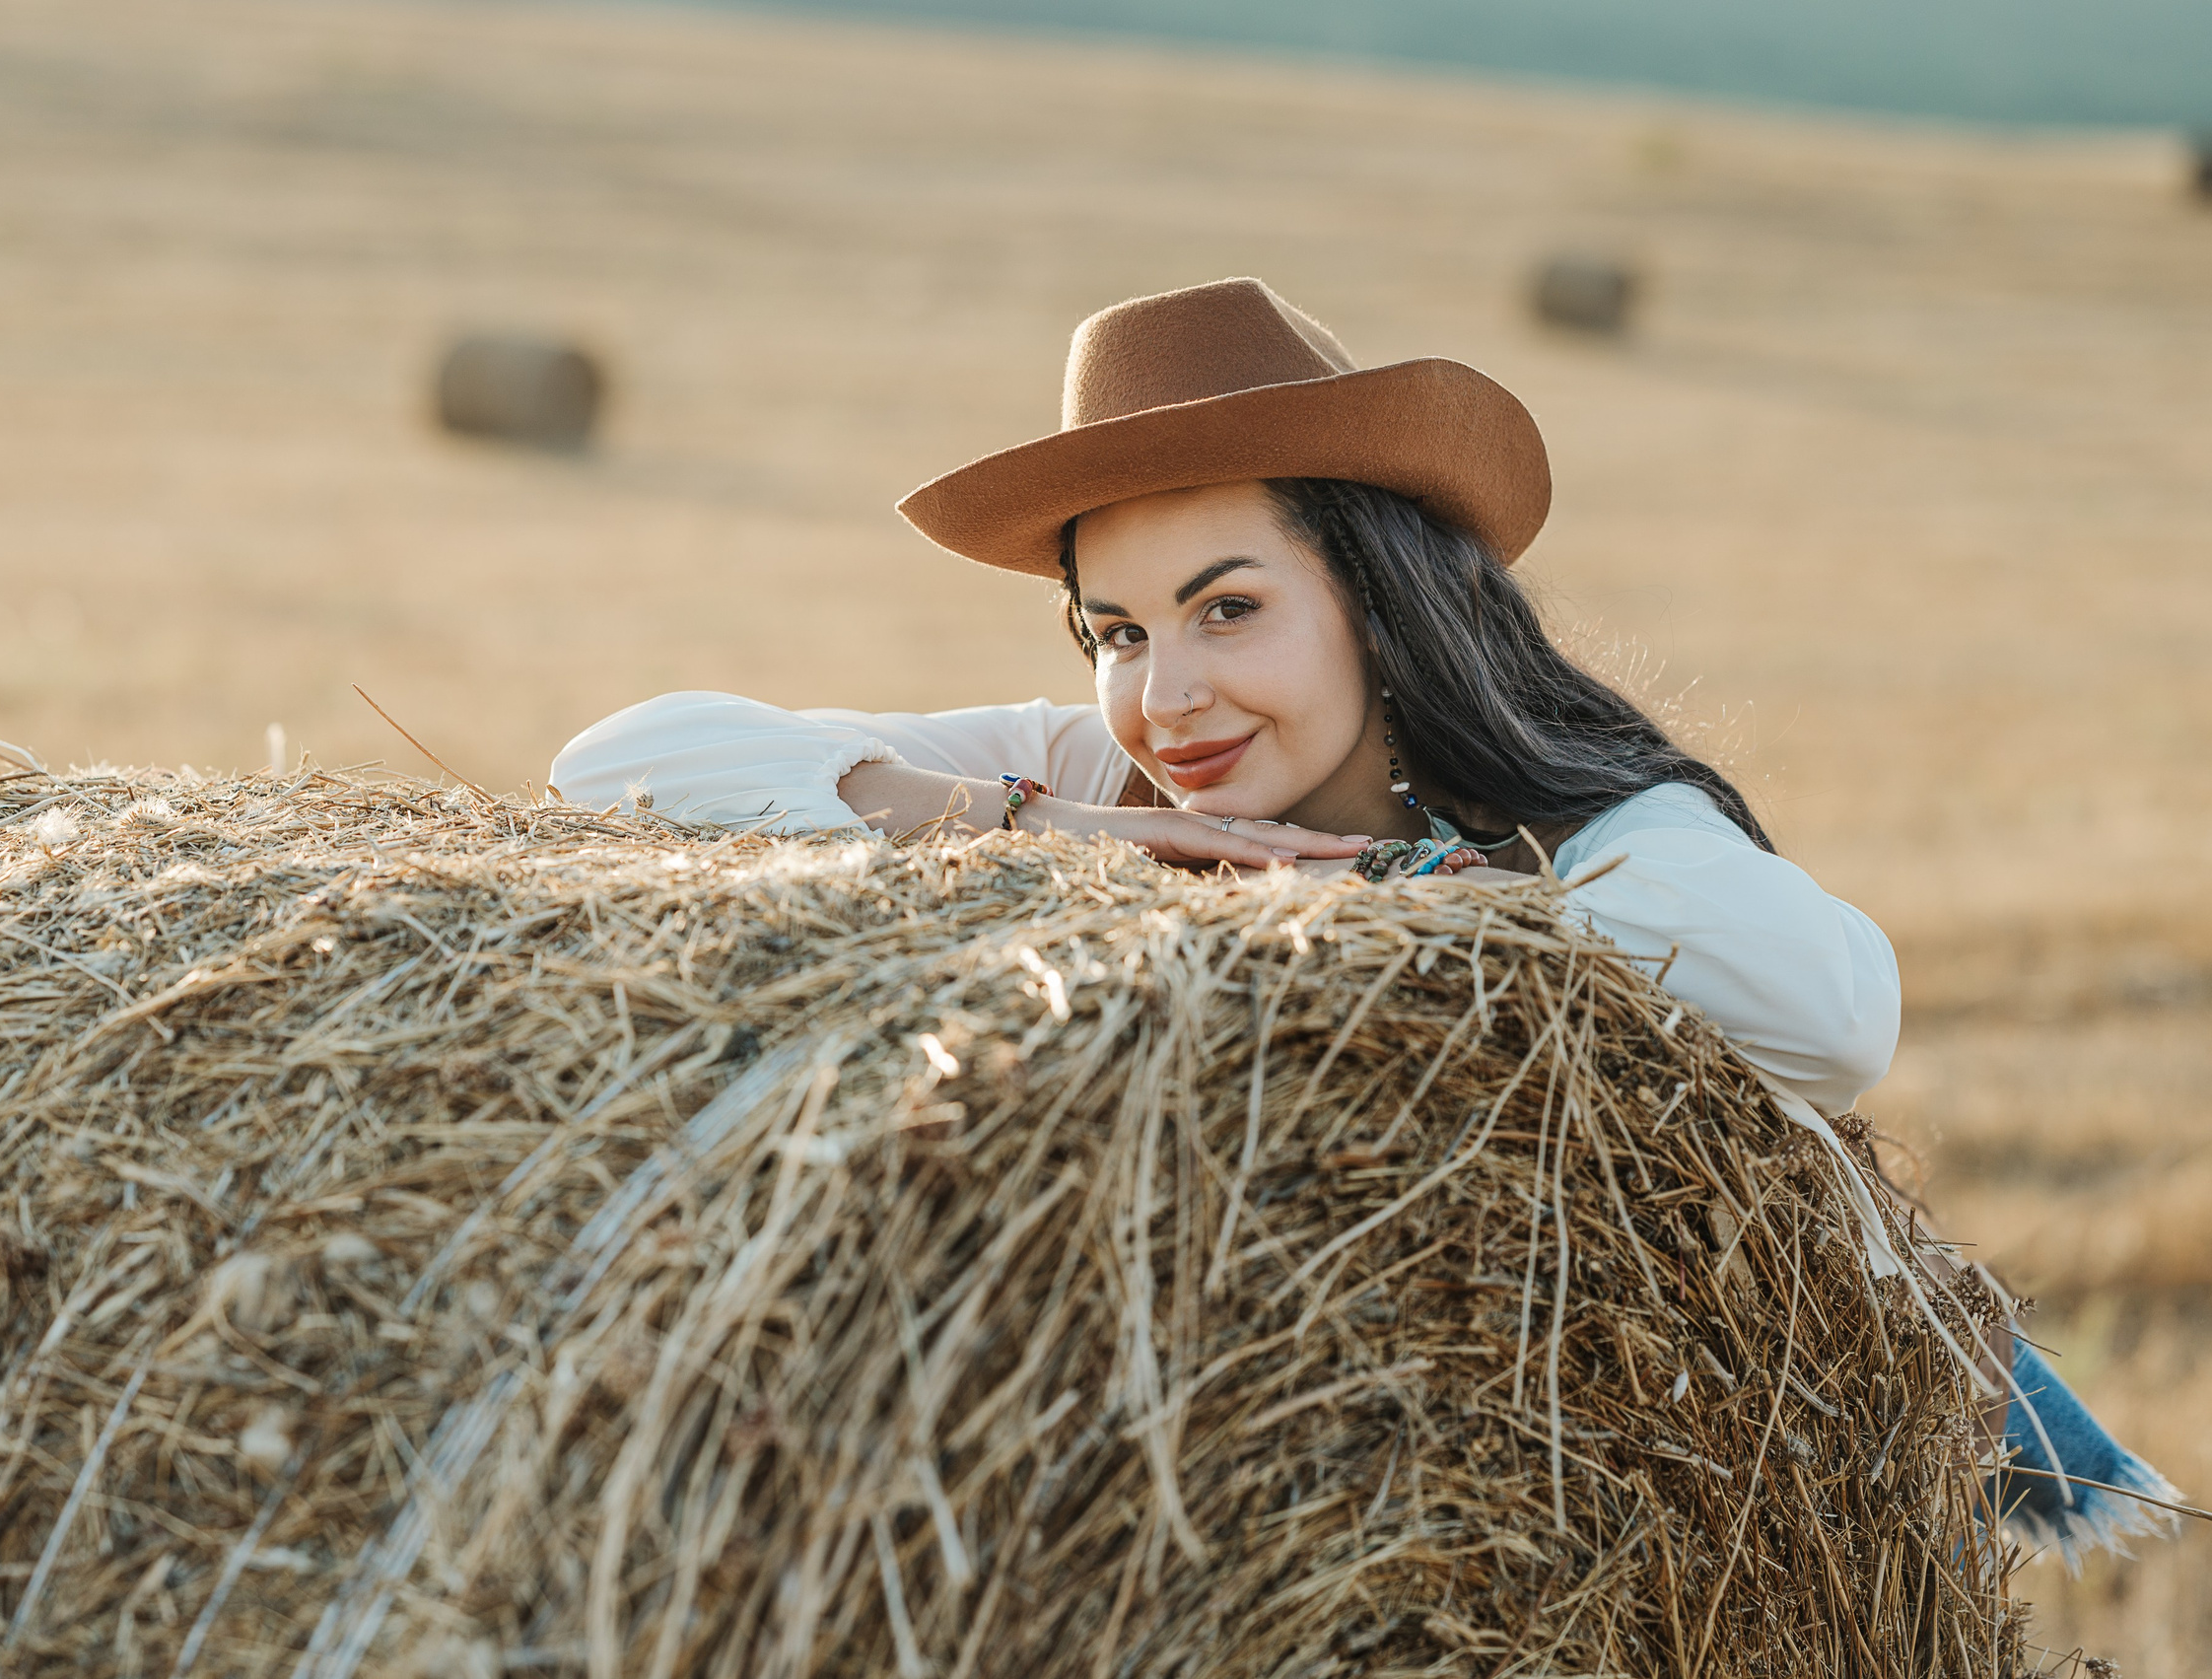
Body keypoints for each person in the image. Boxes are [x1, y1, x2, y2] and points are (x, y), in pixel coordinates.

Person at [553, 277, 2177, 1562]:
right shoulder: (1105, 764)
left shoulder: (1589, 822)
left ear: (1384, 600)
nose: (1165, 693)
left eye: (1229, 609)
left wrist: (1403, 918)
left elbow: (1833, 1016)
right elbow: (623, 762)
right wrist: (1059, 826)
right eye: (1113, 630)